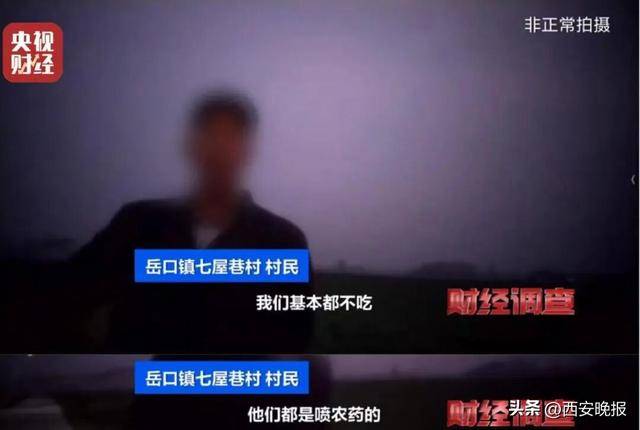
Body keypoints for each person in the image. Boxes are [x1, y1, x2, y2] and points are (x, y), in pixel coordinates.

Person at [71, 90, 313, 352]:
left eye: (232, 136)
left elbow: (294, 339)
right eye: (210, 134)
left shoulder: (283, 241)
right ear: (190, 145)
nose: (220, 148)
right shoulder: (137, 223)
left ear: (248, 151)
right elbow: (69, 293)